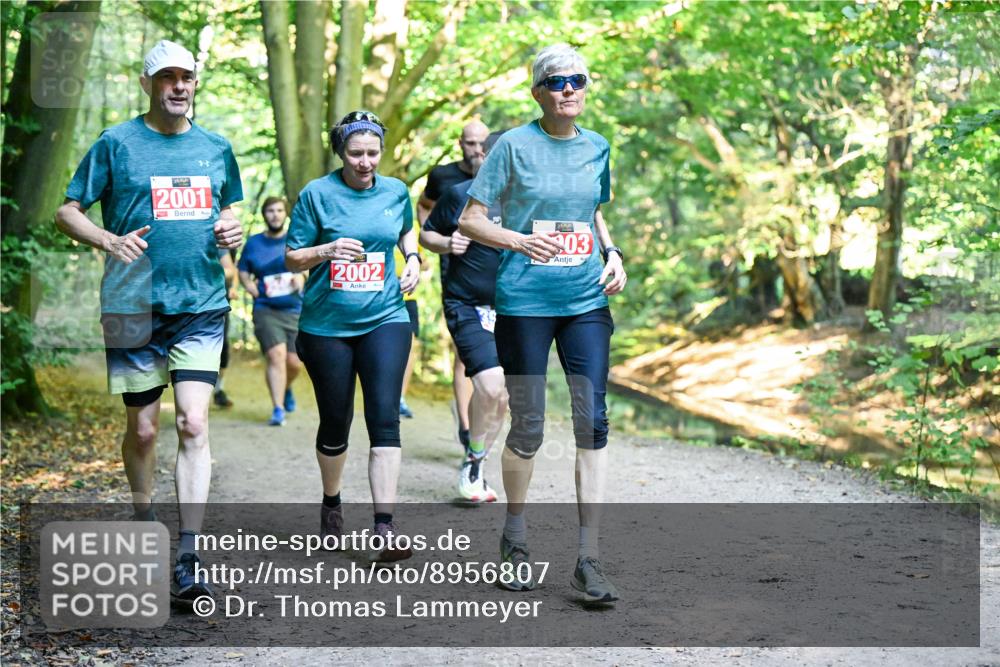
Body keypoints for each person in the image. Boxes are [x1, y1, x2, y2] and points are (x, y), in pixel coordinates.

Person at [54, 40, 244, 604]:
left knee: (191, 423)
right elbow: (67, 211)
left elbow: (229, 209)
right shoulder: (117, 143)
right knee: (143, 429)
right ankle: (143, 520)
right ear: (147, 85)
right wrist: (108, 239)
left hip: (201, 304)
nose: (179, 86)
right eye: (167, 78)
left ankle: (188, 554)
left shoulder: (216, 148)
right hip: (132, 305)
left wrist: (234, 229)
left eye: (187, 77)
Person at [458, 44, 627, 603]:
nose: (569, 89)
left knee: (592, 422)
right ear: (538, 92)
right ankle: (515, 538)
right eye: (557, 82)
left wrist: (613, 253)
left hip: (584, 300)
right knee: (528, 426)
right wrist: (517, 239)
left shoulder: (598, 147)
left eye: (578, 79)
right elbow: (472, 220)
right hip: (525, 302)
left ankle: (589, 558)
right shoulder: (512, 146)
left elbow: (594, 210)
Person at [285, 110, 420, 563]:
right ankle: (331, 502)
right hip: (326, 326)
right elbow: (291, 258)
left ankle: (384, 526)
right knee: (335, 423)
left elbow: (404, 230)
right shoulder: (317, 194)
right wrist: (327, 249)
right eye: (356, 154)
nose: (365, 162)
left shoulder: (396, 191)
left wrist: (414, 259)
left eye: (373, 153)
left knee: (385, 418)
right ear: (341, 153)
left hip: (386, 316)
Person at [421, 130, 508, 503]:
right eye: (494, 156)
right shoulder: (458, 195)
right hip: (466, 304)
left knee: (503, 398)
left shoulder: (527, 203)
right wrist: (447, 243)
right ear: (482, 158)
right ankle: (473, 458)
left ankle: (477, 461)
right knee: (489, 385)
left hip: (514, 309)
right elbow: (427, 234)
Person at [417, 121, 490, 450]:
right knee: (465, 352)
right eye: (470, 143)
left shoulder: (506, 184)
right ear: (460, 143)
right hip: (457, 272)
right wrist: (445, 242)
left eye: (481, 144)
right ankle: (465, 426)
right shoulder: (444, 178)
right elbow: (424, 209)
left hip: (498, 282)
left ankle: (485, 410)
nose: (475, 150)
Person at [237, 196, 304, 426]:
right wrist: (250, 287)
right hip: (266, 308)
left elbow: (307, 267)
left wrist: (300, 277)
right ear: (264, 215)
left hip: (295, 308)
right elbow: (243, 270)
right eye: (270, 211)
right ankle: (278, 408)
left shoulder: (295, 240)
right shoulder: (254, 243)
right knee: (276, 356)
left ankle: (285, 388)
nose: (275, 215)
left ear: (286, 214)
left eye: (279, 210)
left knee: (295, 362)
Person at [213, 251, 238, 408]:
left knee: (223, 346)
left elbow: (233, 269)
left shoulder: (226, 241)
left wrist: (234, 287)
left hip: (221, 301)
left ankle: (218, 390)